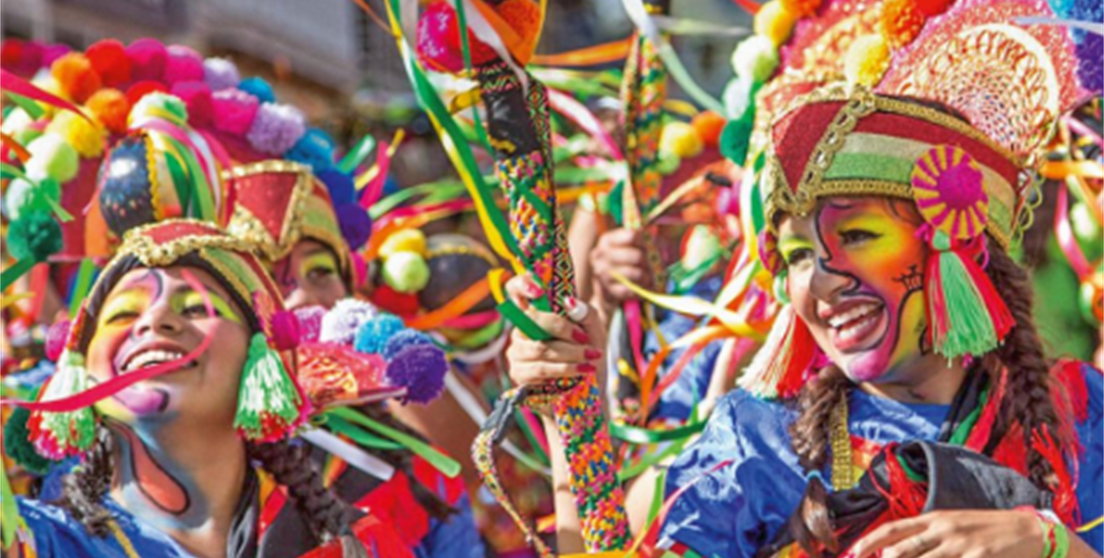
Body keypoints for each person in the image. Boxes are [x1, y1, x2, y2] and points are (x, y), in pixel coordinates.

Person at [7, 220, 391, 557]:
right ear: (81, 368)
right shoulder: (33, 543)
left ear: (261, 360)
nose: (155, 320)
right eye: (123, 313)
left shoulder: (349, 547)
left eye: (196, 308)